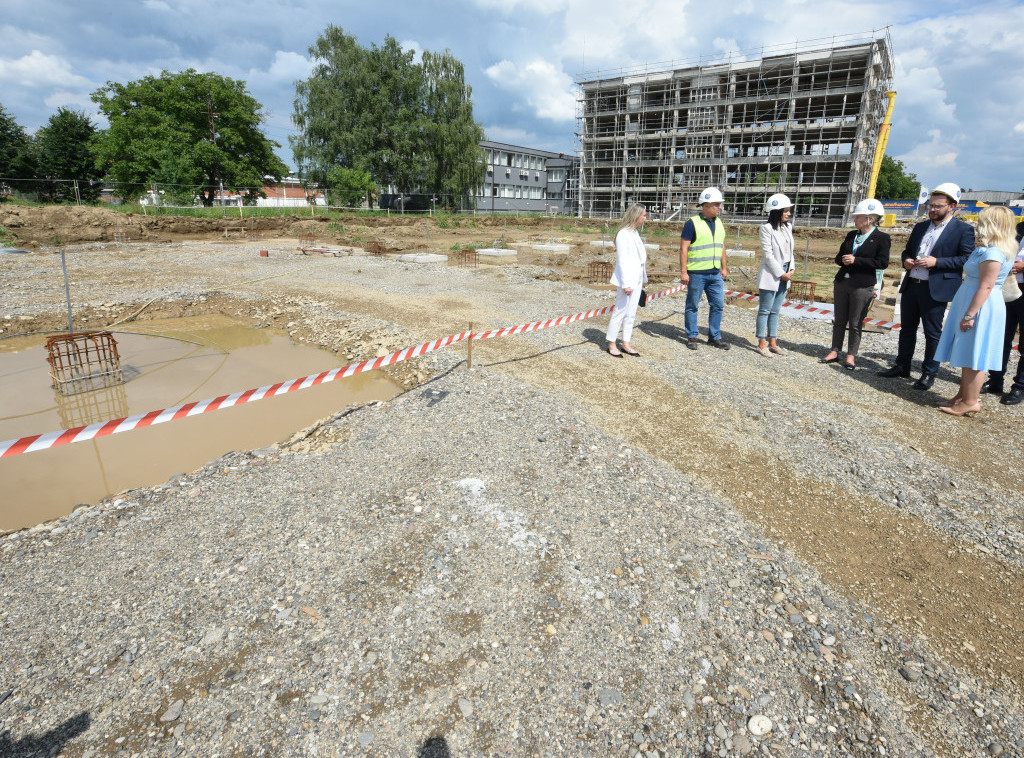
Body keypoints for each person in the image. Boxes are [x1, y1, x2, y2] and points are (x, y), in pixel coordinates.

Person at [878, 183, 975, 390]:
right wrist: (906, 261)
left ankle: (929, 373)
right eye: (930, 205)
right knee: (907, 329)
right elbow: (907, 251)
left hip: (936, 288)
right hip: (913, 284)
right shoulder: (920, 227)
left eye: (938, 206)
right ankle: (902, 365)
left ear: (952, 206)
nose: (932, 210)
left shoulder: (963, 230)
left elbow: (965, 258)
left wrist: (936, 262)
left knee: (932, 333)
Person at [933, 205, 1016, 416]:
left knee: (975, 354)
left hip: (981, 305)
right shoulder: (989, 250)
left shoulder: (994, 253)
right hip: (973, 300)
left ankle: (970, 401)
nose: (978, 226)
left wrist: (970, 314)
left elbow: (986, 286)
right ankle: (962, 396)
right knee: (969, 350)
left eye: (982, 222)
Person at [819, 199, 891, 370]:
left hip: (862, 285)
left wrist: (856, 260)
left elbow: (882, 262)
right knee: (839, 320)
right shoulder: (852, 235)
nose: (855, 220)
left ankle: (851, 355)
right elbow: (838, 257)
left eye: (858, 217)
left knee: (855, 321)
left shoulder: (881, 238)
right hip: (843, 281)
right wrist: (843, 260)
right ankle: (835, 350)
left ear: (869, 219)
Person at [680, 187, 729, 350]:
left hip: (715, 273)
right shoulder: (692, 223)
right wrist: (684, 272)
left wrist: (724, 267)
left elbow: (722, 246)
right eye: (716, 204)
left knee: (718, 305)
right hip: (697, 273)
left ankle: (714, 336)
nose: (719, 207)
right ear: (706, 205)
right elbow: (684, 248)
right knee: (692, 305)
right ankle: (692, 336)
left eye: (719, 204)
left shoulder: (720, 223)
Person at [980, 222, 1024, 404]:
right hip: (1009, 286)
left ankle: (1019, 387)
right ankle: (996, 379)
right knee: (1001, 337)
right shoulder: (1019, 228)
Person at [754, 193, 795, 356]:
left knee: (775, 311)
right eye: (785, 211)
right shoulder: (766, 229)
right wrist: (781, 273)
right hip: (772, 274)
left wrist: (791, 269)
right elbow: (768, 255)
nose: (788, 213)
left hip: (786, 272)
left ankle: (773, 342)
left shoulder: (788, 227)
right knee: (765, 310)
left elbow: (790, 251)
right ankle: (761, 343)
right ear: (776, 211)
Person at [605, 203, 648, 357]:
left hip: (636, 278)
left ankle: (626, 342)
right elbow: (622, 260)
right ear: (636, 216)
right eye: (643, 215)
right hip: (627, 279)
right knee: (620, 311)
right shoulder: (623, 234)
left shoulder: (634, 232)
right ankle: (611, 343)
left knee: (631, 313)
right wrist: (626, 283)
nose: (645, 218)